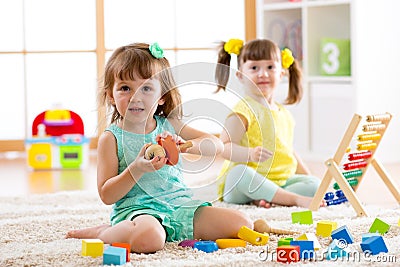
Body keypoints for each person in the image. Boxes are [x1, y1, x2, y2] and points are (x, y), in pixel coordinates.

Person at [66, 43, 252, 253]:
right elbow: (107, 195)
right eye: (125, 88)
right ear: (111, 95)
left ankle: (166, 230)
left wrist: (186, 146)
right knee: (151, 240)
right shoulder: (111, 139)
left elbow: (216, 146)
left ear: (162, 96)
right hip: (139, 211)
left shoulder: (171, 124)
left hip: (179, 205)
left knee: (243, 224)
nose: (135, 97)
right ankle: (104, 232)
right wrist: (136, 168)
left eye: (146, 88)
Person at [215, 38, 324, 209]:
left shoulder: (284, 113)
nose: (263, 74)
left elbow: (289, 151)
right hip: (243, 184)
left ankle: (271, 197)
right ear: (240, 76)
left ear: (281, 73)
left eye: (270, 67)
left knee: (315, 184)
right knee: (239, 174)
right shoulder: (243, 110)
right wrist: (249, 153)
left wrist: (308, 176)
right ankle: (292, 199)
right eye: (254, 68)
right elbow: (224, 147)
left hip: (279, 180)